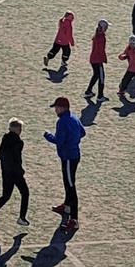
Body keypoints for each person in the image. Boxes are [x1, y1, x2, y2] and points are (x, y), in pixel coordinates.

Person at [44, 96, 85, 231]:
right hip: (75, 155)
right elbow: (83, 132)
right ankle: (67, 206)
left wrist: (48, 135)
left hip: (68, 157)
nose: (55, 110)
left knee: (70, 186)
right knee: (68, 182)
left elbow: (59, 140)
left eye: (56, 107)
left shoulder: (62, 121)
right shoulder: (74, 118)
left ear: (62, 108)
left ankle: (74, 219)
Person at [0, 118, 29, 229]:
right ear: (16, 129)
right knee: (25, 193)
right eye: (20, 128)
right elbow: (17, 159)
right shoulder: (19, 142)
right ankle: (22, 217)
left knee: (6, 196)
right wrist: (20, 171)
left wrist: (5, 165)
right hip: (16, 173)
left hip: (6, 172)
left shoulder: (5, 139)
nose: (21, 130)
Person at [84, 19, 109, 100]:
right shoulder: (101, 37)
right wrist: (104, 59)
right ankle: (100, 96)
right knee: (101, 77)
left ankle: (88, 91)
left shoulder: (97, 35)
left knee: (96, 75)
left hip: (93, 59)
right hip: (98, 60)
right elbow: (101, 50)